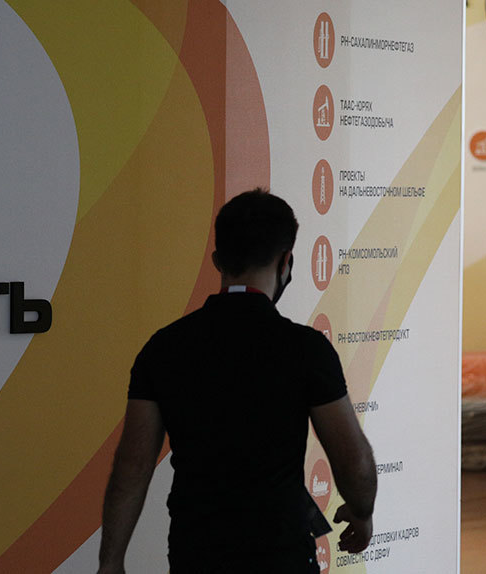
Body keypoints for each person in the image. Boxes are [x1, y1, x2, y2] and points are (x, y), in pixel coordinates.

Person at [98, 189, 377, 573]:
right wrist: (361, 512)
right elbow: (354, 461)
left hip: (196, 556)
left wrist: (111, 561)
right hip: (282, 557)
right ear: (286, 262)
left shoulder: (163, 348)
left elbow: (132, 467)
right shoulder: (306, 349)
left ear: (218, 261)